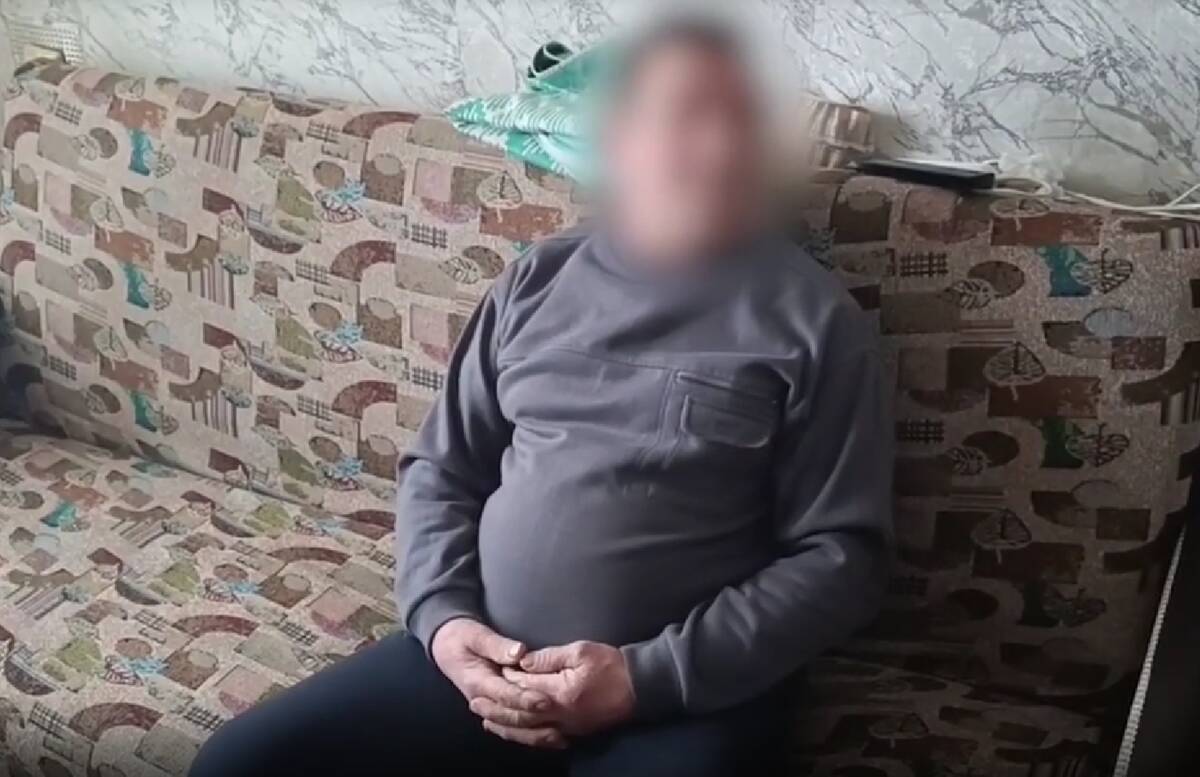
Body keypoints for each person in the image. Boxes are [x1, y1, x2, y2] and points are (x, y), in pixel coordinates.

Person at [189, 15, 893, 777]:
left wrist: (643, 678)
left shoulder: (813, 319)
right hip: (478, 667)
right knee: (239, 764)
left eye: (736, 119)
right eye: (686, 116)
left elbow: (841, 557)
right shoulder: (537, 278)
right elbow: (441, 470)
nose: (718, 146)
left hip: (680, 695)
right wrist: (445, 624)